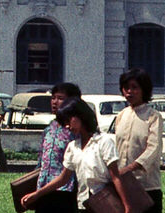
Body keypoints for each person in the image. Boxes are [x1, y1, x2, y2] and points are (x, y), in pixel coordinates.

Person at [21, 99, 137, 213]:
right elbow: (63, 178)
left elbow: (115, 176)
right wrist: (37, 194)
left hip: (106, 203)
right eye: (64, 123)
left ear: (81, 116)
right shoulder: (73, 147)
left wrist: (127, 206)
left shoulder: (103, 142)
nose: (67, 126)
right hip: (84, 205)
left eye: (69, 120)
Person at [115, 67, 163, 213]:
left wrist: (130, 168)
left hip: (146, 185)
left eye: (134, 87)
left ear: (144, 90)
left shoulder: (153, 116)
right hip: (123, 185)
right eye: (126, 88)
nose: (129, 91)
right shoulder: (121, 115)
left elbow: (153, 149)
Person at [28, 82, 80, 213]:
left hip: (65, 190)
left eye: (60, 98)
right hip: (43, 188)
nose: (55, 102)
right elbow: (41, 160)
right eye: (53, 98)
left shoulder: (76, 131)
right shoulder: (49, 128)